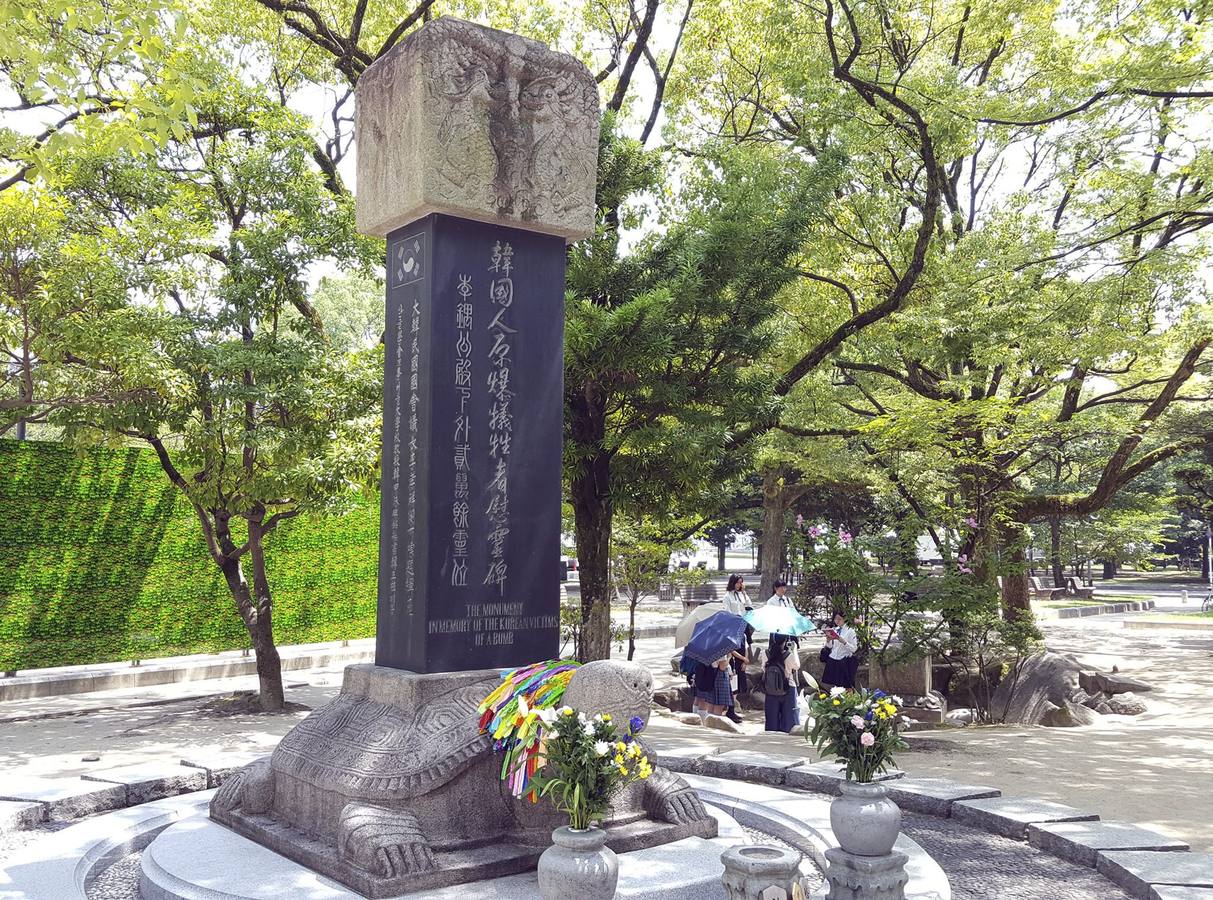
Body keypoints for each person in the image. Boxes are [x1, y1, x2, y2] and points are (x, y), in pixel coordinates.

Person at [722, 575, 753, 723]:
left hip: (742, 625)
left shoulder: (742, 595)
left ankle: (735, 704)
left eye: (741, 583)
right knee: (733, 668)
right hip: (733, 625)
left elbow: (748, 606)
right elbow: (727, 611)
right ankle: (730, 708)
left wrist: (744, 593)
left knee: (740, 672)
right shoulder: (727, 596)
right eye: (737, 583)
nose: (739, 585)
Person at [764, 633, 801, 733]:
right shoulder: (788, 655)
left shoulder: (766, 654)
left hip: (770, 689)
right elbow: (797, 666)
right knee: (790, 720)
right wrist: (794, 650)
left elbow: (763, 669)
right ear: (785, 641)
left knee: (772, 719)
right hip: (788, 688)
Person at [822, 608, 859, 689]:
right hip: (833, 659)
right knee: (835, 686)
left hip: (844, 661)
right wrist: (828, 640)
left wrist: (844, 642)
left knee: (847, 686)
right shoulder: (835, 630)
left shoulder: (850, 631)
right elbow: (830, 647)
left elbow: (854, 649)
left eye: (839, 619)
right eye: (835, 619)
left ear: (844, 619)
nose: (837, 621)